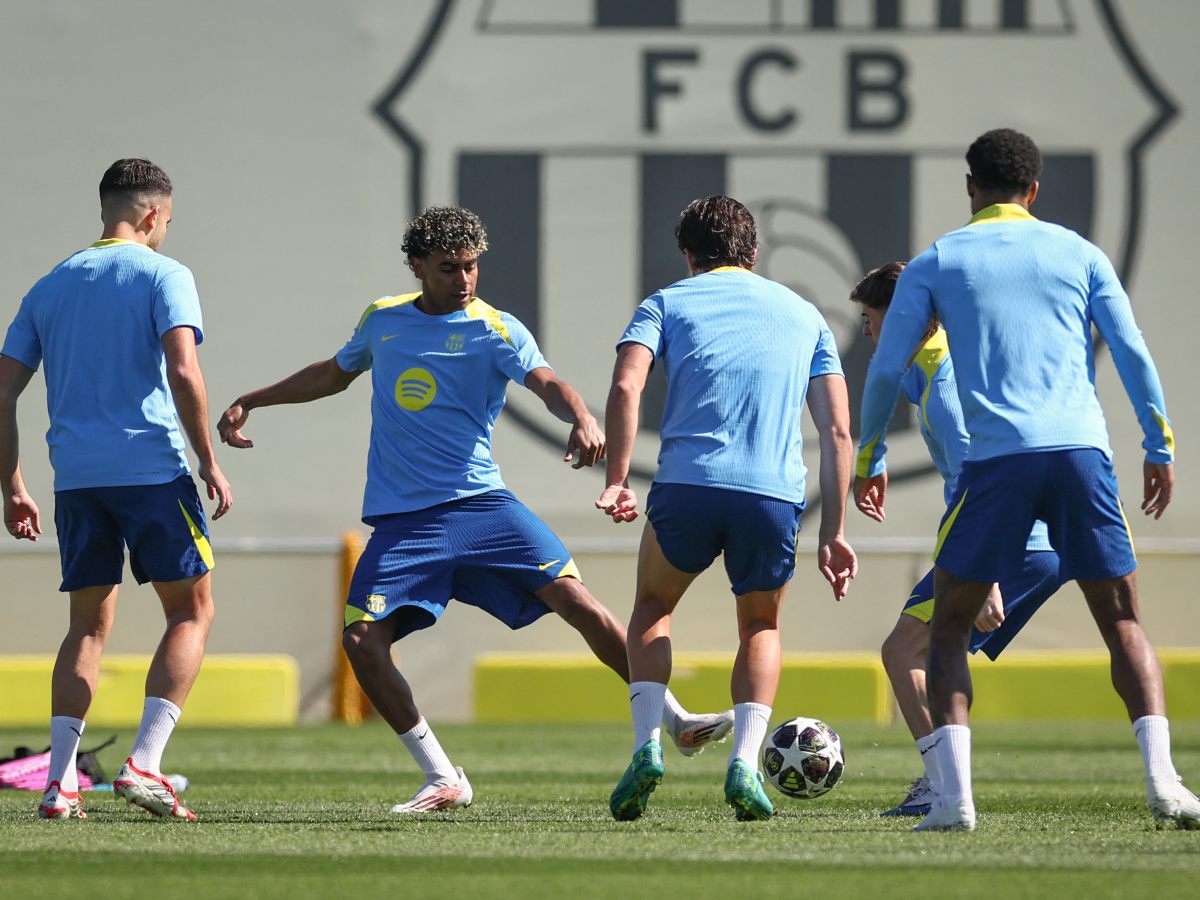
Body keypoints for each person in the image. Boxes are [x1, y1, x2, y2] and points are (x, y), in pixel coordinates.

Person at [217, 206, 732, 814]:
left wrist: (583, 416)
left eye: (471, 266)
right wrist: (255, 399)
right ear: (417, 268)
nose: (464, 279)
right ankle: (442, 776)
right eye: (448, 268)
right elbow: (334, 374)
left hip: (484, 506)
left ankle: (672, 720)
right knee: (361, 641)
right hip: (406, 522)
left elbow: (547, 383)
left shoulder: (496, 328)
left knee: (578, 600)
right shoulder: (382, 322)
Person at [857, 128, 1198, 832]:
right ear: (1034, 190)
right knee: (1125, 621)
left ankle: (954, 801)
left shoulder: (939, 259)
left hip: (997, 464)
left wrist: (870, 460)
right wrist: (1158, 443)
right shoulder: (1081, 253)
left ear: (970, 187)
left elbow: (887, 369)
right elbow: (1131, 352)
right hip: (1082, 453)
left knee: (946, 631)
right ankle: (1165, 784)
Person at [598, 195, 858, 822]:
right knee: (760, 628)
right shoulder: (805, 313)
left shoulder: (666, 302)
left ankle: (646, 748)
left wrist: (617, 478)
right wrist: (835, 531)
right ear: (754, 251)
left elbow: (627, 385)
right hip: (771, 494)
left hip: (688, 484)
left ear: (689, 255)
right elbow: (839, 431)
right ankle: (744, 762)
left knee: (653, 609)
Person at [1, 158, 232, 821]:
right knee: (192, 612)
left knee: (85, 628)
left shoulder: (52, 284)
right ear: (156, 214)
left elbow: (3, 392)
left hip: (76, 479)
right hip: (151, 472)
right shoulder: (166, 274)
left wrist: (12, 485)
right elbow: (184, 370)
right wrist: (209, 459)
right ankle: (144, 764)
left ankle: (57, 785)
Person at [851, 262, 1068, 817]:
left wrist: (988, 570)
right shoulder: (927, 366)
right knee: (921, 653)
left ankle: (943, 786)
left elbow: (988, 479)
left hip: (1009, 543)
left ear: (910, 322)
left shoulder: (945, 384)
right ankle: (943, 782)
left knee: (902, 651)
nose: (867, 331)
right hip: (1015, 542)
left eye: (873, 319)